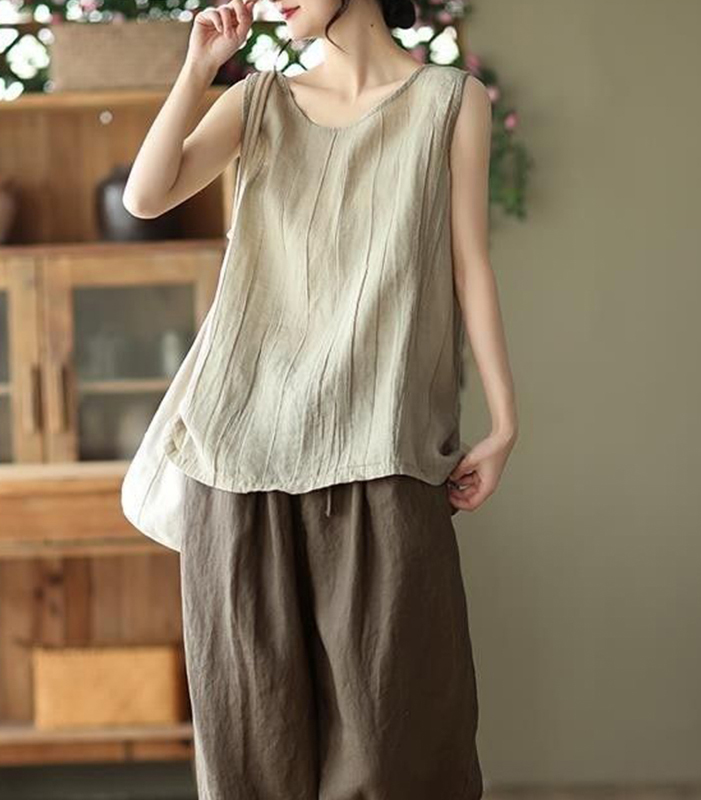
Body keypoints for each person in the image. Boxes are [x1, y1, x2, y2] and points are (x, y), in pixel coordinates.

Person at [123, 0, 517, 796]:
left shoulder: (449, 102)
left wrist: (506, 421)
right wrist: (197, 72)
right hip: (236, 464)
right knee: (252, 761)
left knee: (400, 755)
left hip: (383, 451)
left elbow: (468, 264)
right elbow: (146, 197)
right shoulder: (258, 101)